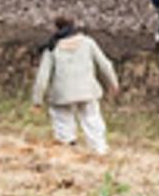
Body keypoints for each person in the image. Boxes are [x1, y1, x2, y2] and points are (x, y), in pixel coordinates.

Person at [30, 17, 119, 155]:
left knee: (62, 121)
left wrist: (37, 100)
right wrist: (113, 84)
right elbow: (105, 65)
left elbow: (42, 76)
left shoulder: (52, 47)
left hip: (62, 93)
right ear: (74, 26)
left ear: (56, 28)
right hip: (87, 90)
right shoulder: (88, 42)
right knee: (92, 119)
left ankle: (68, 149)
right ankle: (99, 150)